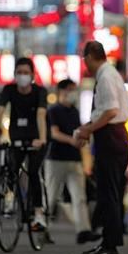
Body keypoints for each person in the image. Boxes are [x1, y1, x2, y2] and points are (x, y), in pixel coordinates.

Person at [75, 41, 128, 254]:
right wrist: (89, 129)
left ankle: (110, 244)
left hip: (111, 136)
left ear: (89, 57)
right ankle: (109, 240)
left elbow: (110, 111)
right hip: (113, 136)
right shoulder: (109, 74)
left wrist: (88, 129)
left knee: (108, 193)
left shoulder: (106, 76)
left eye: (84, 59)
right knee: (110, 192)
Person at [0, 57, 48, 231]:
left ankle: (39, 212)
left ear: (33, 76)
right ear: (14, 75)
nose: (22, 76)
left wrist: (42, 139)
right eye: (19, 73)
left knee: (33, 171)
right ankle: (10, 201)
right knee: (11, 170)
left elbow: (41, 115)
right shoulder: (9, 90)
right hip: (17, 137)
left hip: (36, 138)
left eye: (26, 73)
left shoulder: (40, 91)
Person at [46, 79, 99, 244]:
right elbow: (54, 133)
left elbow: (78, 132)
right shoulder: (53, 111)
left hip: (74, 159)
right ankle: (42, 230)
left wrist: (83, 149)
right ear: (61, 91)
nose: (73, 93)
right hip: (55, 159)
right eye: (70, 90)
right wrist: (71, 141)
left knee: (79, 197)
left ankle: (83, 230)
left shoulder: (75, 112)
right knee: (51, 197)